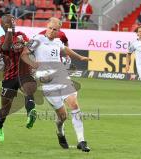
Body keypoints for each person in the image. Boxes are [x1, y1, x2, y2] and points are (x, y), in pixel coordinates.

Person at [21, 17, 91, 152]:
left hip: (61, 77)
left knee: (74, 104)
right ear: (47, 27)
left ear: (59, 31)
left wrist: (81, 57)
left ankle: (81, 141)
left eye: (55, 30)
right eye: (50, 28)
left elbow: (66, 50)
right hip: (47, 82)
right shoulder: (37, 40)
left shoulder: (58, 41)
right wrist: (34, 64)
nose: (52, 31)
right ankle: (60, 132)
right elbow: (24, 54)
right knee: (62, 116)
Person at [0, 14, 37, 142]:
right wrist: (8, 31)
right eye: (10, 23)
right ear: (3, 25)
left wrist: (28, 47)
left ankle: (31, 113)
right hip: (9, 76)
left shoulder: (21, 35)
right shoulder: (0, 39)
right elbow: (6, 48)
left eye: (14, 22)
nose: (13, 24)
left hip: (24, 73)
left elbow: (29, 48)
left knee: (28, 90)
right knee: (5, 109)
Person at [126, 25, 141, 92]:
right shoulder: (134, 44)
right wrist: (127, 64)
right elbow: (128, 54)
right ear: (137, 33)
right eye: (139, 31)